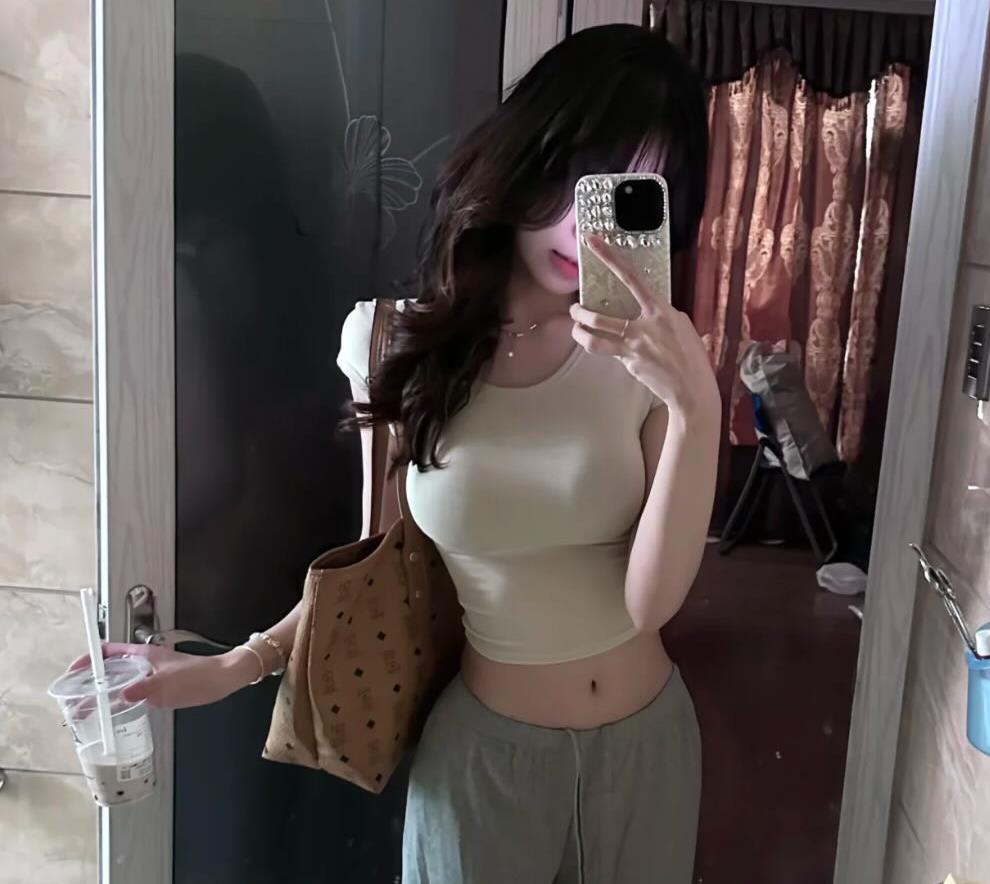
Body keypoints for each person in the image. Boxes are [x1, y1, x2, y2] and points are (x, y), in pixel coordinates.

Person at [98, 24, 719, 884]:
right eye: (578, 176)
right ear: (527, 152)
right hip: (485, 770)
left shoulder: (657, 367)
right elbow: (375, 570)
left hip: (648, 754)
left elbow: (647, 605)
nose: (581, 227)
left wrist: (695, 409)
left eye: (628, 195)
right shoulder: (391, 345)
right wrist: (234, 667)